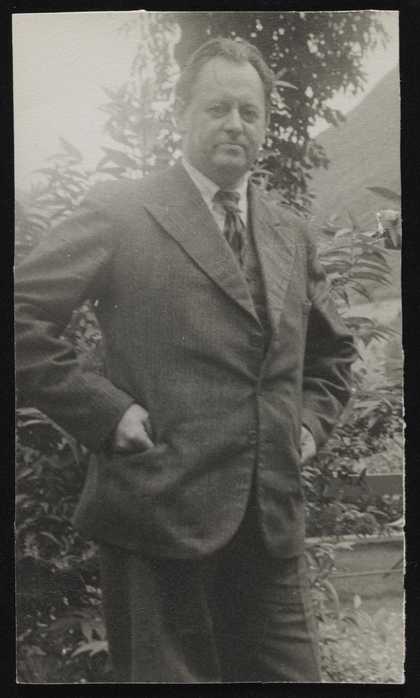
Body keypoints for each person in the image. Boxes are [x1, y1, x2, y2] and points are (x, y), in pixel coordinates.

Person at [15, 37, 356, 683]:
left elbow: (333, 353)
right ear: (181, 113)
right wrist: (106, 414)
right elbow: (21, 316)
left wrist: (308, 426)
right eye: (217, 108)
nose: (235, 124)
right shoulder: (121, 209)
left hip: (269, 524)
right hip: (157, 516)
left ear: (266, 124)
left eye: (250, 112)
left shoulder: (289, 231)